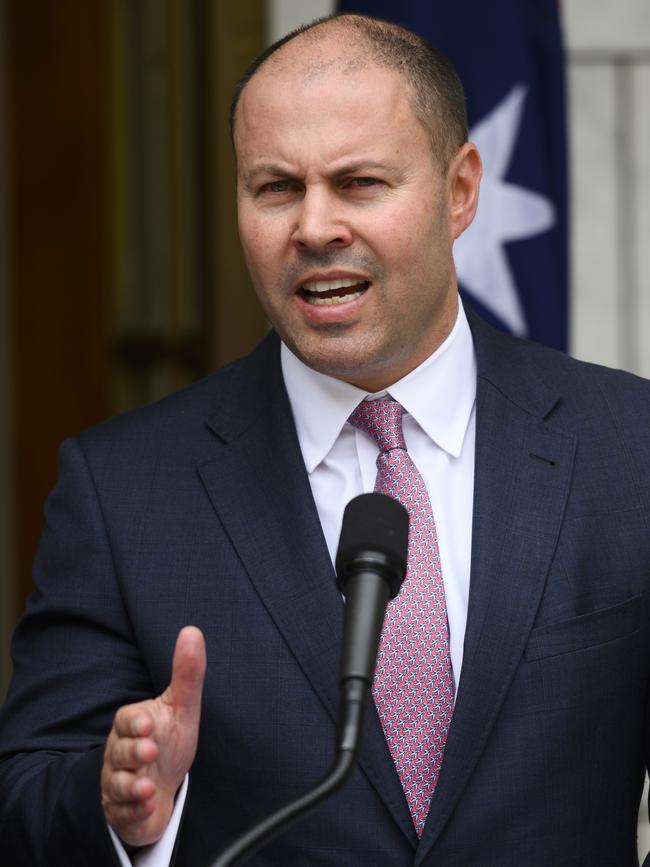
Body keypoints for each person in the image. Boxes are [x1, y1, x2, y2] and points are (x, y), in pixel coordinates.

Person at [1, 12, 649, 867]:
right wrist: (121, 807)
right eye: (275, 188)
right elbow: (26, 805)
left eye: (359, 183)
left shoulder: (628, 450)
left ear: (460, 192)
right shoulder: (122, 489)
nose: (313, 228)